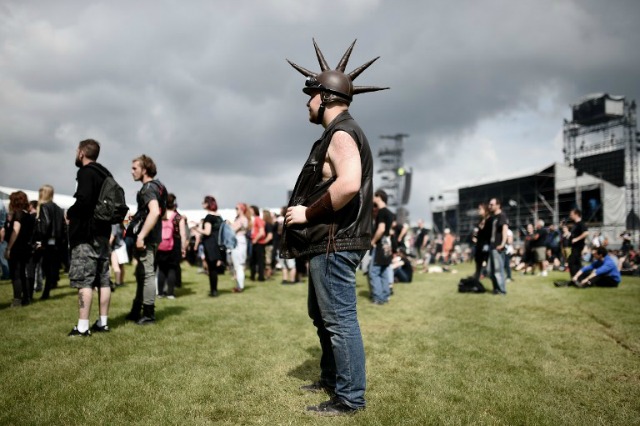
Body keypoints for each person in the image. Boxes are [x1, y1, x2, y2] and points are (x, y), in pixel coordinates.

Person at [282, 38, 387, 415]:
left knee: (340, 320)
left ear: (325, 98)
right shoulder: (336, 132)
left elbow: (348, 184)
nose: (307, 102)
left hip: (335, 242)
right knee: (321, 314)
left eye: (311, 96)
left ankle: (350, 398)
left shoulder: (342, 133)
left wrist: (307, 215)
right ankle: (331, 378)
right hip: (328, 243)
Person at [66, 139, 114, 335]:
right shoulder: (106, 174)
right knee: (103, 280)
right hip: (103, 233)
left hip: (86, 235)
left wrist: (70, 212)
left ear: (81, 153)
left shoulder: (85, 173)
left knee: (85, 281)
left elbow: (84, 200)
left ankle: (83, 326)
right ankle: (103, 322)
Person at [126, 154, 165, 325]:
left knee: (147, 274)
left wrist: (141, 235)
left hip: (148, 238)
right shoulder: (159, 186)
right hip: (153, 236)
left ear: (145, 169)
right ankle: (137, 310)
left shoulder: (148, 188)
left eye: (135, 168)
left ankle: (148, 314)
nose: (131, 171)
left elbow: (155, 212)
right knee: (141, 274)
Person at [33, 185, 65, 299]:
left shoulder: (44, 207)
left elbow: (45, 225)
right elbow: (63, 226)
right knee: (49, 268)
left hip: (46, 241)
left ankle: (38, 292)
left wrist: (41, 240)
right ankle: (46, 291)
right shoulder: (58, 208)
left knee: (40, 266)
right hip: (55, 242)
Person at [5, 191, 35, 307]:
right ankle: (26, 298)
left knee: (16, 274)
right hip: (26, 247)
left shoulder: (18, 214)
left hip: (17, 247)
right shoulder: (28, 215)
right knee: (23, 274)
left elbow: (16, 230)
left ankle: (17, 300)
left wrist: (8, 248)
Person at [192, 196, 224, 297]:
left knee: (212, 269)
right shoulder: (219, 216)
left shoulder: (209, 217)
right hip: (217, 243)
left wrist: (196, 228)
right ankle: (214, 289)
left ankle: (213, 290)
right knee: (214, 268)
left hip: (210, 244)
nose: (202, 204)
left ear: (208, 204)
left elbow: (207, 231)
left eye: (204, 202)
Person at [156, 194, 183, 299]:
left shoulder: (160, 214)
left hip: (160, 244)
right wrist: (184, 247)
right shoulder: (177, 216)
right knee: (172, 269)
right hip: (174, 244)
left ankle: (160, 293)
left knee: (161, 269)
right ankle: (170, 293)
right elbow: (182, 233)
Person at [369, 189, 393, 304]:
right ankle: (385, 295)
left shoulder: (382, 212)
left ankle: (378, 298)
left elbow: (381, 229)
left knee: (374, 272)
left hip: (380, 245)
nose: (373, 198)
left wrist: (373, 241)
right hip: (388, 244)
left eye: (374, 196)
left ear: (379, 197)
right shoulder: (389, 212)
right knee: (383, 271)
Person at [487, 198, 508, 295]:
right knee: (489, 271)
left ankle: (502, 290)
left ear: (498, 205)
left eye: (492, 204)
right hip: (491, 247)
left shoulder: (502, 216)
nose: (490, 206)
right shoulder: (492, 217)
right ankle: (496, 289)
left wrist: (503, 244)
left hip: (497, 247)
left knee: (498, 270)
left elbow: (505, 230)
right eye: (489, 204)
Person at [230, 203, 249, 292]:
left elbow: (233, 229)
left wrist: (230, 225)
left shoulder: (243, 219)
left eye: (237, 208)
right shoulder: (238, 219)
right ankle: (238, 286)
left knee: (239, 265)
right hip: (236, 241)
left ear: (241, 209)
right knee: (237, 266)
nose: (236, 210)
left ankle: (240, 286)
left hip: (240, 241)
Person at [567, 208, 588, 278]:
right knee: (575, 262)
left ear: (576, 215)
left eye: (571, 214)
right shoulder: (575, 224)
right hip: (574, 247)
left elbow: (586, 233)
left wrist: (576, 239)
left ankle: (576, 278)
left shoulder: (581, 223)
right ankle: (577, 278)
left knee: (572, 262)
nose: (570, 216)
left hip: (578, 247)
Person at [472, 203, 491, 280]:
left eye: (480, 209)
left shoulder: (489, 220)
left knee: (485, 261)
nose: (478, 211)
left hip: (486, 245)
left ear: (485, 210)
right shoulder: (480, 220)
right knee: (478, 262)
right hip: (479, 245)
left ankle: (483, 273)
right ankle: (478, 276)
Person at [249, 205, 266, 282]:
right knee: (256, 260)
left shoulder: (257, 219)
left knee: (258, 261)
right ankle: (255, 276)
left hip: (258, 243)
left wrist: (255, 239)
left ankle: (260, 277)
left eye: (251, 210)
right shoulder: (256, 219)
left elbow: (262, 232)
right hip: (257, 242)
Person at [0, 201, 9, 280]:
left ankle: (6, 274)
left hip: (1, 230)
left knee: (2, 255)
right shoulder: (2, 203)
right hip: (2, 229)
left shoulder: (0, 204)